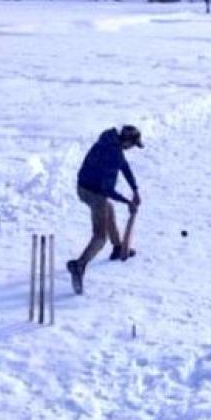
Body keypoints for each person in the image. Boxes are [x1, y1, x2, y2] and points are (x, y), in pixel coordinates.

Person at [67, 125, 143, 294]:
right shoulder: (112, 154)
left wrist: (135, 189)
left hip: (84, 186)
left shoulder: (111, 142)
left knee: (109, 209)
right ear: (127, 141)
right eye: (133, 145)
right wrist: (127, 202)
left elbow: (125, 167)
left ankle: (117, 248)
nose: (132, 148)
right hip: (92, 192)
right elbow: (107, 190)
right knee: (100, 236)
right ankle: (79, 266)